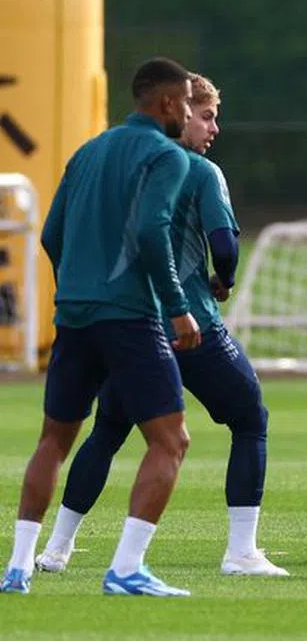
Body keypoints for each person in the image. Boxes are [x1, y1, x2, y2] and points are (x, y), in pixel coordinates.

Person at [32, 74, 288, 578]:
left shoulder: (121, 164)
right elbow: (226, 244)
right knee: (249, 418)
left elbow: (57, 234)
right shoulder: (197, 170)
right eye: (207, 114)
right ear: (182, 112)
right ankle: (241, 552)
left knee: (106, 430)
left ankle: (56, 549)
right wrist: (225, 279)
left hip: (129, 324)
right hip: (191, 323)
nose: (214, 126)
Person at [1, 58, 201, 597]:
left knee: (54, 439)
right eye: (185, 101)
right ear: (164, 104)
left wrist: (79, 283)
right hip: (130, 316)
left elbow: (50, 233)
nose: (188, 111)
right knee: (170, 440)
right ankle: (127, 569)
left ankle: (17, 567)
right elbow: (153, 230)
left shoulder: (88, 151)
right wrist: (177, 306)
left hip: (74, 314)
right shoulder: (166, 155)